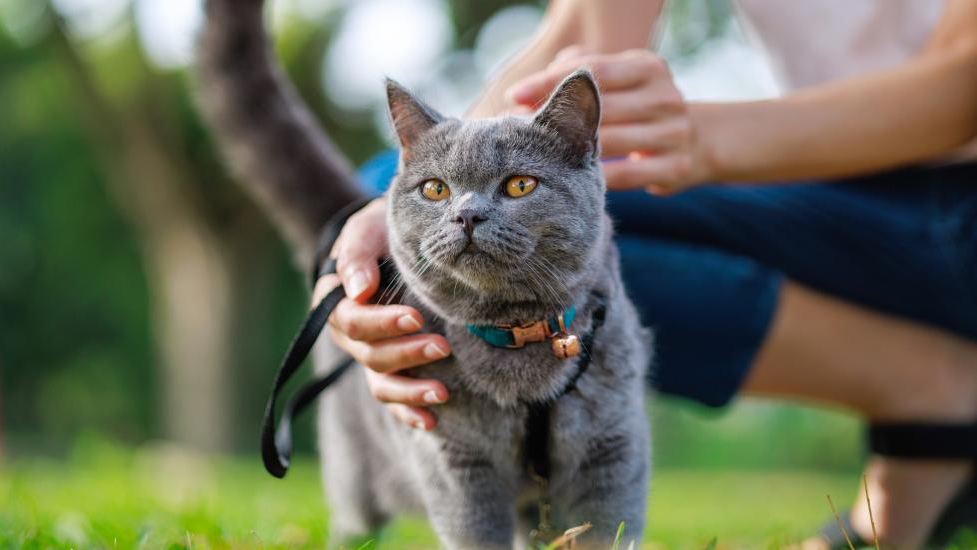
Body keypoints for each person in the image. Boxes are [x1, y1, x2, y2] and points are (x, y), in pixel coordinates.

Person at [315, 1, 977, 546]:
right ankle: (927, 387)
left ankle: (940, 389)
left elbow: (963, 81)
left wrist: (705, 137)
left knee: (575, 214)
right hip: (842, 186)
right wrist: (374, 242)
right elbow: (585, 34)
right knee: (385, 195)